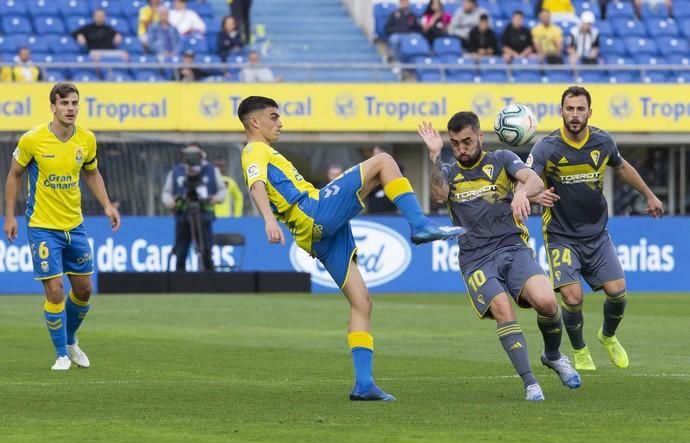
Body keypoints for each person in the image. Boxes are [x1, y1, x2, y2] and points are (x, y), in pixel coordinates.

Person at [238, 96, 465, 401]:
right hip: (315, 211)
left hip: (317, 236)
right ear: (255, 122)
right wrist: (268, 220)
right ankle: (420, 224)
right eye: (274, 117)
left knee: (362, 303)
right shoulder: (255, 150)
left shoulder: (264, 151)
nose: (280, 123)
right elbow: (256, 184)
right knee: (384, 161)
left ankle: (364, 384)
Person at [417, 112, 581, 401]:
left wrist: (521, 194)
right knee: (504, 310)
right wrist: (433, 156)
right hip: (476, 259)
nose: (461, 149)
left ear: (480, 137)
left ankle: (553, 355)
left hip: (513, 248)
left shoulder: (502, 159)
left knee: (547, 302)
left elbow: (534, 181)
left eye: (466, 141)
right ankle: (530, 383)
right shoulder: (449, 172)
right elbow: (440, 195)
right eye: (454, 144)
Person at [527, 86, 664, 370]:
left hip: (596, 234)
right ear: (561, 111)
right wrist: (532, 194)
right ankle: (579, 350)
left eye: (580, 109)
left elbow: (623, 167)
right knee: (572, 296)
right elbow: (525, 179)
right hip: (561, 236)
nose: (575, 115)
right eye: (570, 109)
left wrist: (649, 195)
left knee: (618, 291)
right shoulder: (546, 147)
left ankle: (608, 336)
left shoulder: (602, 141)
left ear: (590, 112)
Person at [3, 82, 121, 371]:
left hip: (75, 225)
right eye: (65, 103)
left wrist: (107, 204)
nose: (71, 108)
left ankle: (70, 340)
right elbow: (14, 175)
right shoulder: (33, 140)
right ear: (53, 107)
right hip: (42, 226)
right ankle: (61, 355)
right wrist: (9, 215)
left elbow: (91, 173)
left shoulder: (87, 140)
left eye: (75, 103)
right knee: (55, 291)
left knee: (84, 290)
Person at [161, 145, 226, 272]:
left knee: (206, 250)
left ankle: (209, 280)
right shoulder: (176, 171)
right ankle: (179, 281)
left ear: (201, 154)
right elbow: (166, 192)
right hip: (183, 217)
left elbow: (222, 189)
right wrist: (170, 202)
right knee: (181, 251)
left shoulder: (211, 170)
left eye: (194, 153)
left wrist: (216, 198)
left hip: (204, 216)